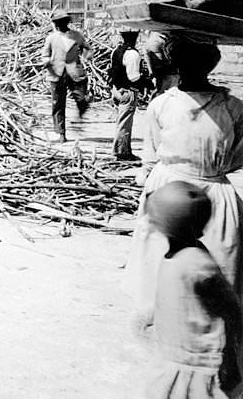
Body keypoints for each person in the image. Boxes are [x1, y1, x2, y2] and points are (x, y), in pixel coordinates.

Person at [126, 37, 243, 322]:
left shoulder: (232, 107)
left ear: (210, 64)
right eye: (186, 62)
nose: (192, 68)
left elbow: (239, 153)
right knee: (160, 262)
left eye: (200, 62)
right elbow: (150, 153)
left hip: (215, 198)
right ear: (177, 65)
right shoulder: (162, 105)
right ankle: (165, 325)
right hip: (168, 193)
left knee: (218, 269)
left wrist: (209, 170)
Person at [137, 181, 242, 398]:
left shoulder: (196, 263)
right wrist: (152, 313)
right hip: (173, 354)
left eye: (154, 217)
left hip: (194, 360)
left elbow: (228, 305)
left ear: (170, 224)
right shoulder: (175, 254)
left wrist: (232, 349)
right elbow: (177, 297)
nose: (149, 222)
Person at [39, 7, 91, 143]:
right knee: (58, 104)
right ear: (56, 24)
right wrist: (46, 62)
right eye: (58, 22)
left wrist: (86, 57)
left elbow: (87, 48)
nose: (61, 24)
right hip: (56, 73)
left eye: (63, 21)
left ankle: (80, 115)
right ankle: (61, 133)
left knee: (82, 99)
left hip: (74, 72)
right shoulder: (51, 38)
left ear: (67, 22)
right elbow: (45, 54)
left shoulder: (76, 35)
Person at [110, 30, 148, 161]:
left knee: (120, 121)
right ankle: (121, 152)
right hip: (128, 91)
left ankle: (123, 150)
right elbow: (133, 77)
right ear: (135, 39)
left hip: (117, 90)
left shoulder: (116, 51)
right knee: (125, 123)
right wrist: (146, 81)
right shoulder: (133, 54)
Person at [143, 31, 178, 95]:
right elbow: (162, 59)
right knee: (164, 92)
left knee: (160, 90)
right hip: (166, 72)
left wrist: (151, 71)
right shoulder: (157, 40)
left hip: (159, 72)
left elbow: (147, 57)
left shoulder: (150, 40)